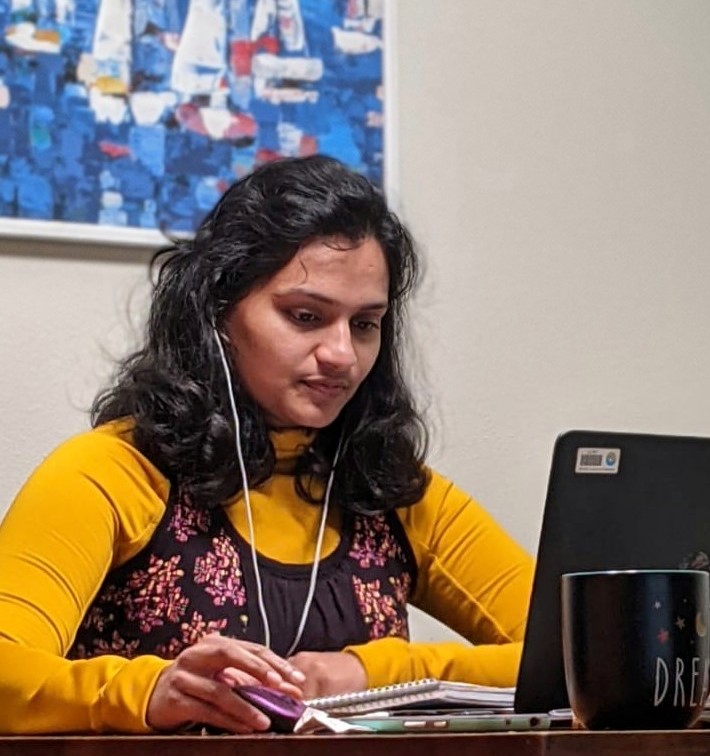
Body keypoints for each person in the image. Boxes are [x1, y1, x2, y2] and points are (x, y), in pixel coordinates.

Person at [0, 156, 534, 734]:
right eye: (306, 316)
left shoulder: (392, 490)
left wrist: (373, 672)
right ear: (217, 312)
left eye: (364, 325)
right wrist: (148, 690)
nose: (342, 355)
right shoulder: (111, 472)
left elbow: (581, 652)